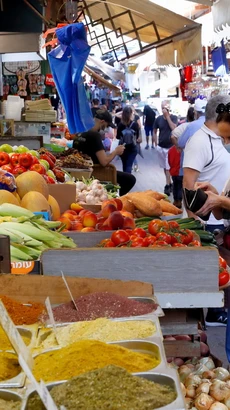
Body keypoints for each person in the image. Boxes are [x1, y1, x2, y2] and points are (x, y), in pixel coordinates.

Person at [183, 95, 230, 326]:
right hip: (209, 218)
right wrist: (194, 221)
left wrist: (218, 198)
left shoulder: (216, 139)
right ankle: (215, 311)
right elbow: (188, 185)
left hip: (218, 215)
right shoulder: (200, 141)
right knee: (216, 268)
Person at [60, 110, 136, 196]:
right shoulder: (94, 135)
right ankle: (118, 199)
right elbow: (104, 161)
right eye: (106, 126)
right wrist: (116, 152)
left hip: (82, 170)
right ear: (102, 122)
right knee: (130, 179)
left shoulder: (81, 132)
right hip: (96, 172)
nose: (106, 129)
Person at [153, 101, 178, 196]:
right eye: (162, 107)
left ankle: (167, 185)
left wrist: (167, 116)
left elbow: (174, 128)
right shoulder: (158, 119)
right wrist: (155, 142)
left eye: (165, 107)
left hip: (170, 147)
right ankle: (170, 182)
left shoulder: (173, 117)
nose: (164, 109)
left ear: (169, 108)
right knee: (165, 167)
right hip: (161, 146)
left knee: (168, 167)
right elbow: (154, 130)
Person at [116, 106, 139, 174]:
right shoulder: (134, 124)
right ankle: (128, 180)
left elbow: (117, 137)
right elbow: (136, 136)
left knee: (124, 165)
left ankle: (125, 180)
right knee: (129, 165)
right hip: (132, 148)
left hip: (123, 148)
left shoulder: (120, 124)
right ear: (131, 114)